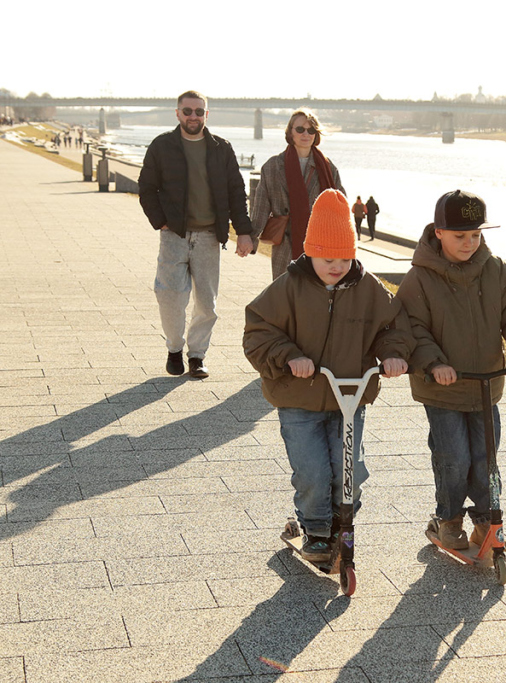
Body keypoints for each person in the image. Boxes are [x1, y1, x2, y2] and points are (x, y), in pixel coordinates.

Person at [243, 189, 414, 561]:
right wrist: (289, 356)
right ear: (310, 252)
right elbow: (258, 332)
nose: (336, 266)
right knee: (313, 471)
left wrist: (393, 355)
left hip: (348, 398)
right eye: (327, 258)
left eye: (344, 258)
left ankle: (342, 521)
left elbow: (393, 327)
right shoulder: (289, 287)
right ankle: (317, 528)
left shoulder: (368, 288)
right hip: (298, 398)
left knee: (350, 467)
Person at [396, 189, 506, 550]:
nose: (469, 243)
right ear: (439, 232)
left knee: (485, 457)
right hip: (442, 387)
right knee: (454, 458)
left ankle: (485, 521)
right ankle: (448, 517)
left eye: (475, 235)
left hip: (485, 385)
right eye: (460, 236)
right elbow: (412, 326)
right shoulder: (420, 278)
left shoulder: (498, 271)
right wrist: (434, 363)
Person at [139, 90, 254, 379]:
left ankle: (197, 356)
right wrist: (161, 222)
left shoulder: (220, 148)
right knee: (170, 295)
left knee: (206, 302)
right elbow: (146, 187)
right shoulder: (162, 146)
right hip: (173, 235)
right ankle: (174, 349)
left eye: (199, 111)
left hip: (208, 237)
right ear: (177, 113)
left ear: (206, 115)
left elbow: (236, 192)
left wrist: (244, 232)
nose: (193, 116)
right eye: (187, 111)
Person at [250, 108, 344, 280]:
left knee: (316, 297)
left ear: (316, 134)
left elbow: (340, 209)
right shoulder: (272, 166)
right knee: (284, 295)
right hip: (285, 244)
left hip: (320, 245)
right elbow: (261, 207)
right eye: (300, 129)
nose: (305, 134)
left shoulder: (328, 168)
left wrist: (345, 245)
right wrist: (250, 239)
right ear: (290, 133)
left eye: (311, 130)